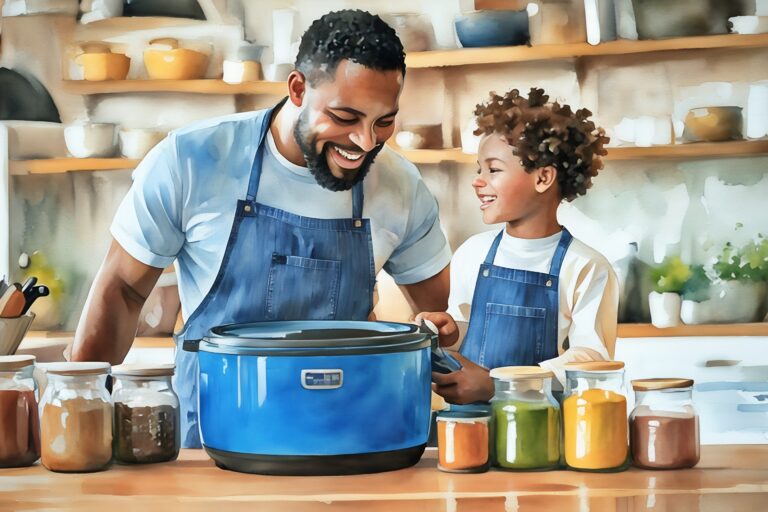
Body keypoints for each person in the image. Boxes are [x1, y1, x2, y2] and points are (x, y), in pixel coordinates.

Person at [69, 10, 452, 447]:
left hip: (346, 440)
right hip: (214, 445)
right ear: (297, 89)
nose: (366, 143)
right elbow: (122, 288)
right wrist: (83, 407)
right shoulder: (192, 160)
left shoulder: (401, 185)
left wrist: (439, 337)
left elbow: (437, 323)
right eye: (346, 117)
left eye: (383, 121)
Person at [418, 87, 618, 406]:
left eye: (493, 170)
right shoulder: (472, 252)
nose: (477, 181)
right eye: (478, 169)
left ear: (543, 178)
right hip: (471, 425)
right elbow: (470, 327)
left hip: (541, 427)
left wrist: (499, 385)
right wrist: (452, 330)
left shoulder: (585, 266)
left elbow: (590, 361)